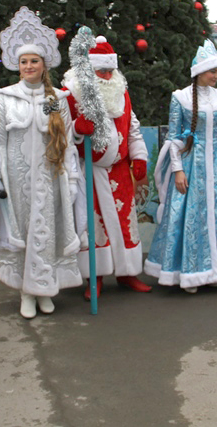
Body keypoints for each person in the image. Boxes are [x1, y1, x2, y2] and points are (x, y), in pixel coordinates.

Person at [0, 7, 83, 318]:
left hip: (50, 179)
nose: (28, 66)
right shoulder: (6, 98)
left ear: (43, 64)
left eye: (34, 61)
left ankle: (45, 288)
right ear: (17, 65)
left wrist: (72, 179)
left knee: (47, 232)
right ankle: (26, 292)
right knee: (23, 232)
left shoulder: (55, 100)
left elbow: (66, 142)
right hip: (17, 180)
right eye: (24, 61)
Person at [145, 40, 217, 292]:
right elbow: (174, 137)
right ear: (199, 72)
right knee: (191, 217)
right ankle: (190, 272)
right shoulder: (180, 98)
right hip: (192, 166)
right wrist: (178, 170)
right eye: (213, 71)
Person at [62, 35, 152, 300]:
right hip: (89, 171)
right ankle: (95, 276)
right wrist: (77, 129)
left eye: (111, 70)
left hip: (120, 171)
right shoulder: (71, 94)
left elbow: (132, 127)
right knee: (94, 227)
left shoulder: (121, 92)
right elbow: (60, 132)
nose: (108, 76)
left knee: (125, 223)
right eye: (102, 71)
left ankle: (127, 273)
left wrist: (139, 157)